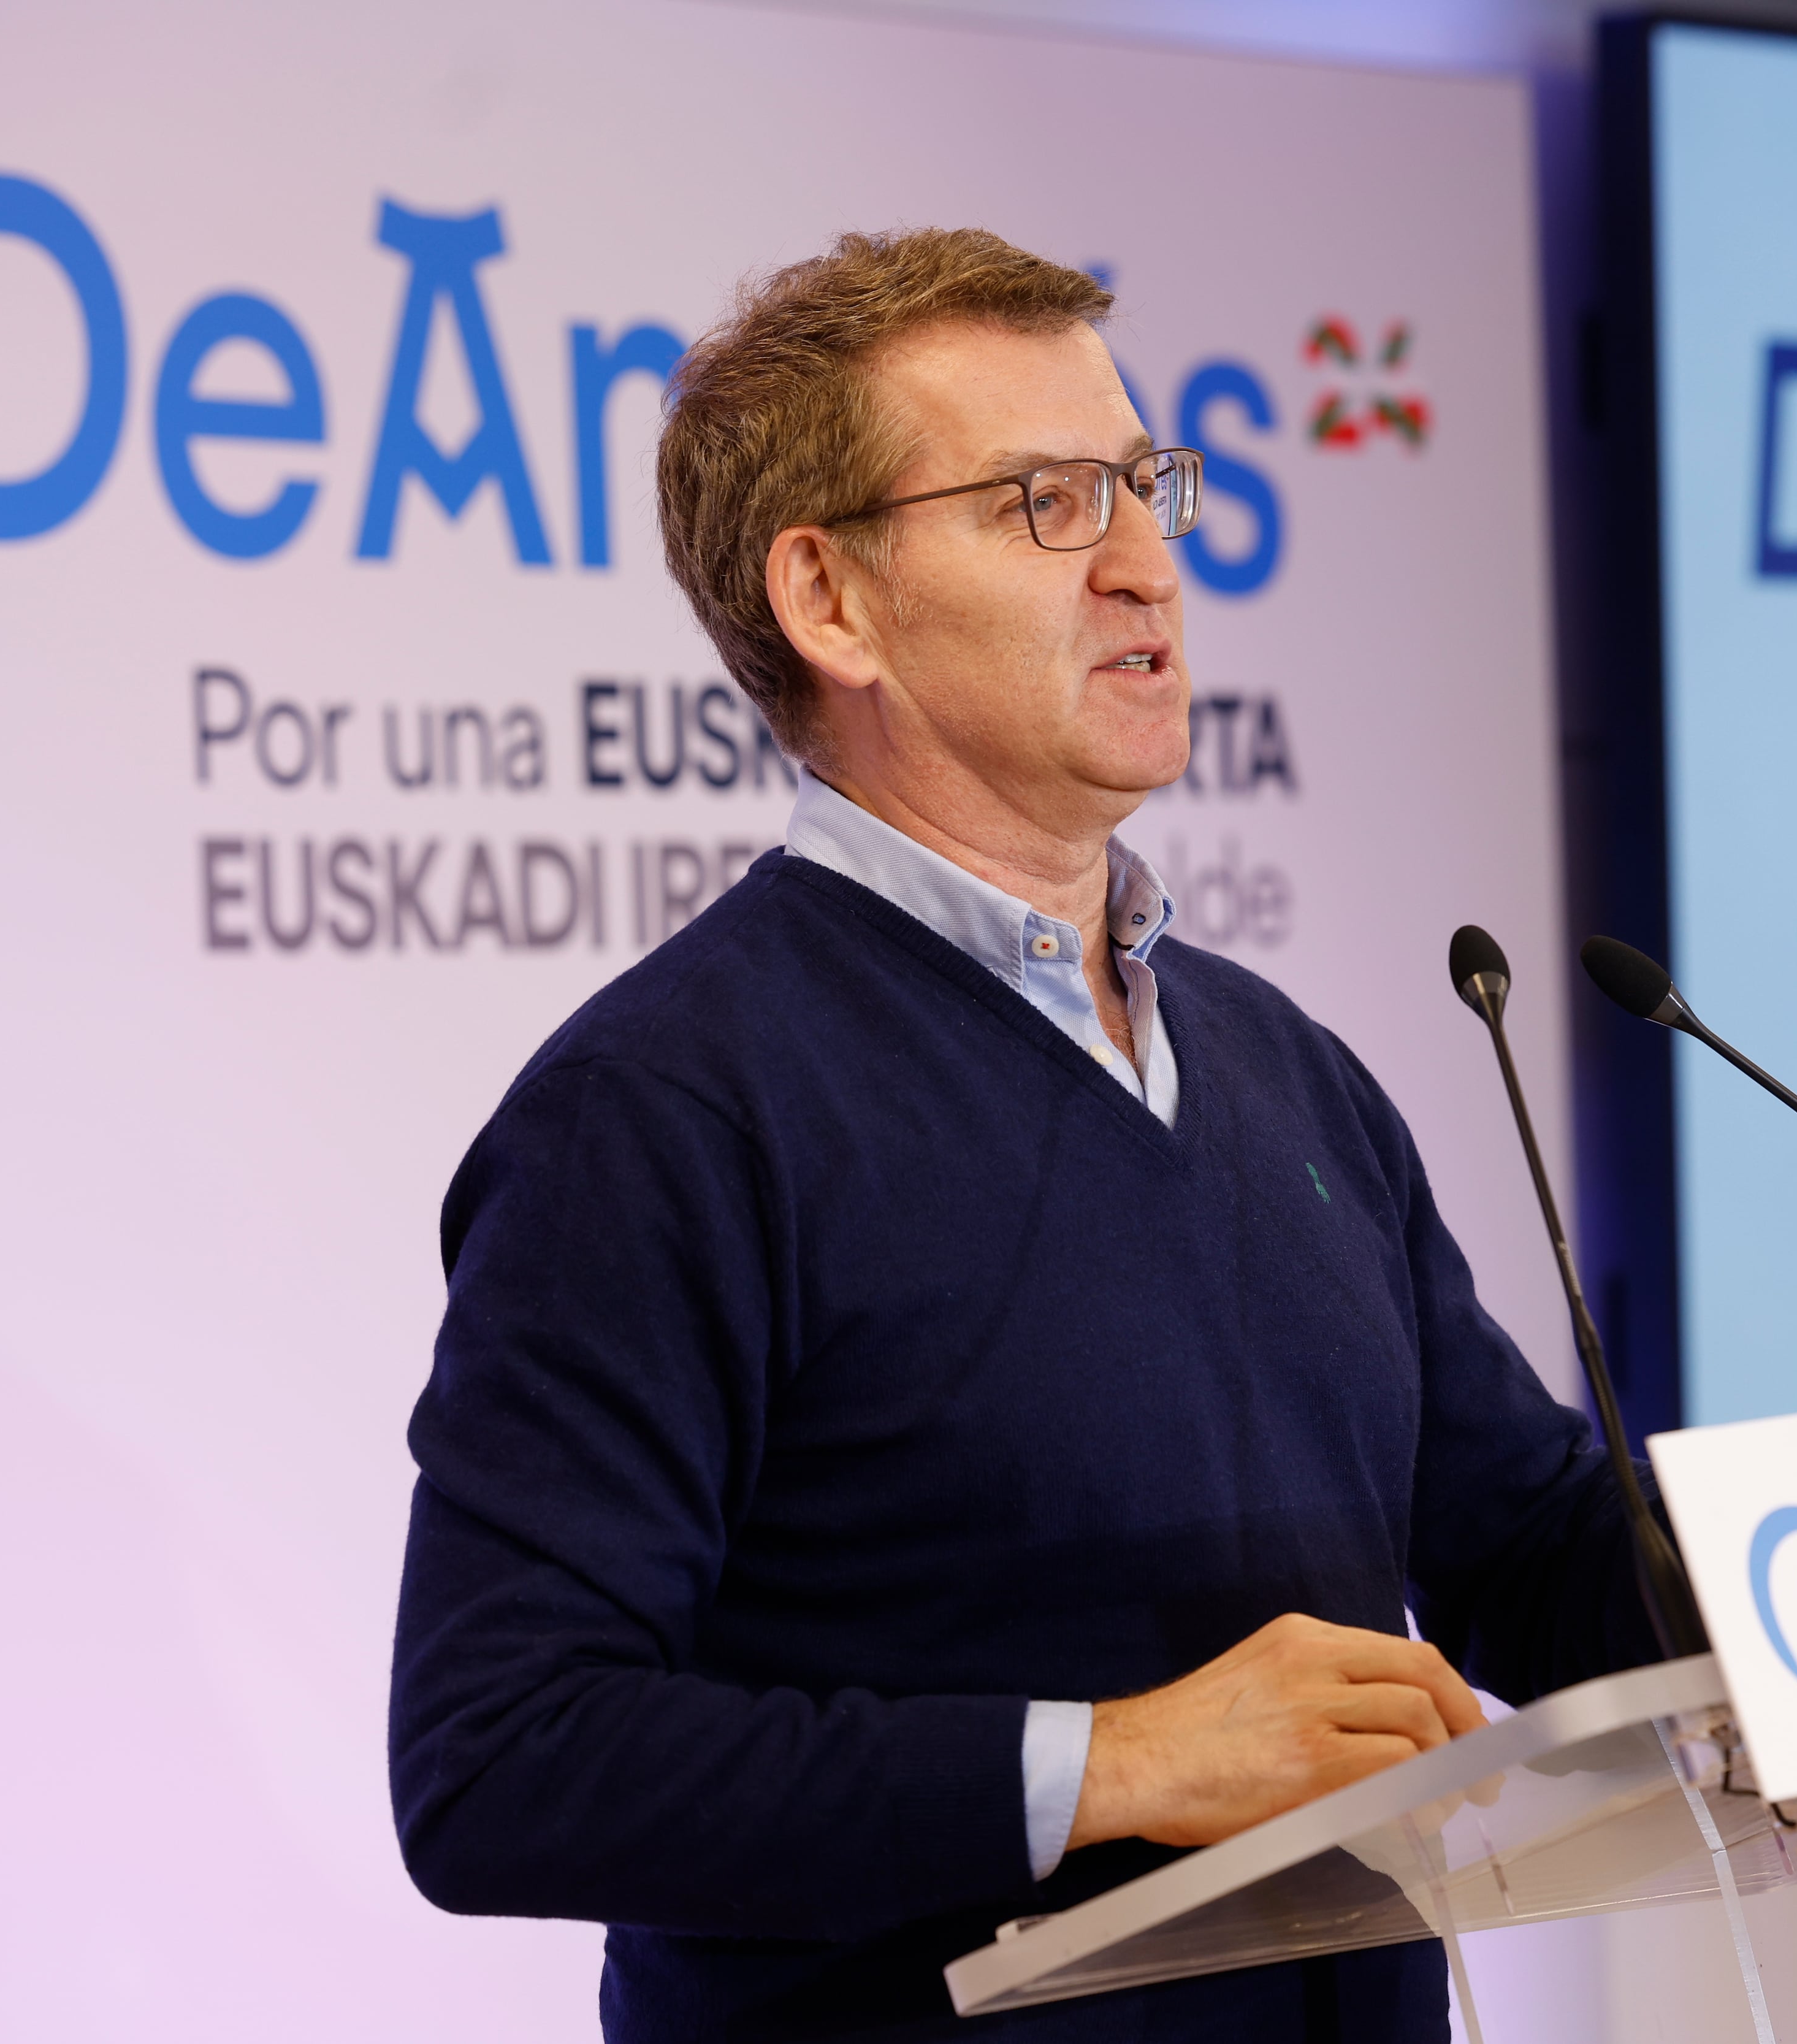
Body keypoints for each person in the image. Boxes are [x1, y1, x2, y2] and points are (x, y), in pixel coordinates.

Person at [386, 228, 1676, 2043]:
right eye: (1047, 504)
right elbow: (503, 1755)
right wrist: (1115, 1763)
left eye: (1147, 486)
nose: (1147, 561)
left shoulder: (1286, 1070)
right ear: (833, 603)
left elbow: (1528, 1551)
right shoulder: (663, 1113)